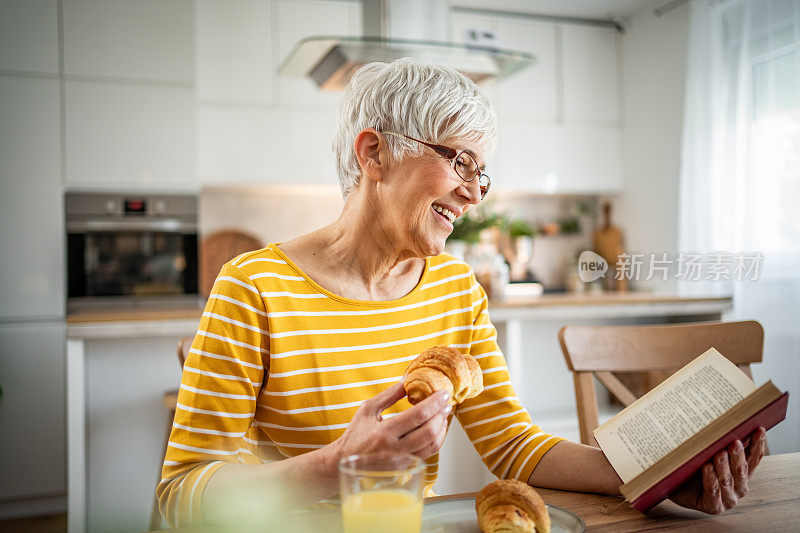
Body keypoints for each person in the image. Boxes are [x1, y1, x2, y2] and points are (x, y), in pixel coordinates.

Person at [157, 58, 766, 526]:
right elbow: (181, 496)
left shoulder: (453, 288)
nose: (476, 194)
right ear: (374, 153)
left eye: (483, 172)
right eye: (459, 162)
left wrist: (655, 476)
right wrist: (333, 466)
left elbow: (513, 447)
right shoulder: (253, 288)